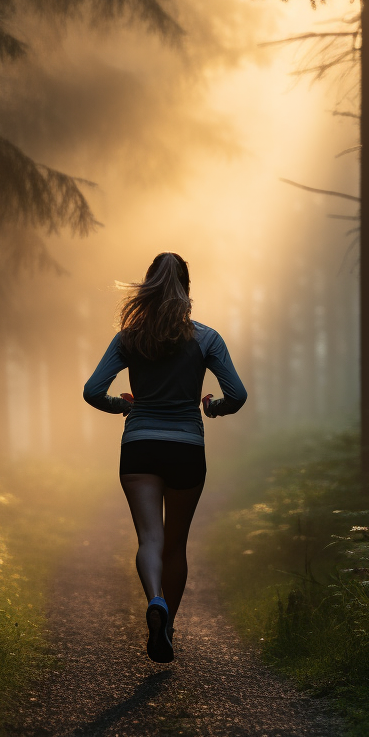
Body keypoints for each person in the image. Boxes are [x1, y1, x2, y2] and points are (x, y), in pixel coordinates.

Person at [82, 252, 247, 664]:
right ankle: (167, 624)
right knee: (176, 544)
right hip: (187, 448)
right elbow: (238, 395)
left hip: (139, 446)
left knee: (149, 540)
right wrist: (214, 408)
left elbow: (91, 391)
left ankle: (154, 599)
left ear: (148, 285)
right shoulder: (207, 338)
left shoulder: (129, 338)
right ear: (187, 288)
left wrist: (121, 407)